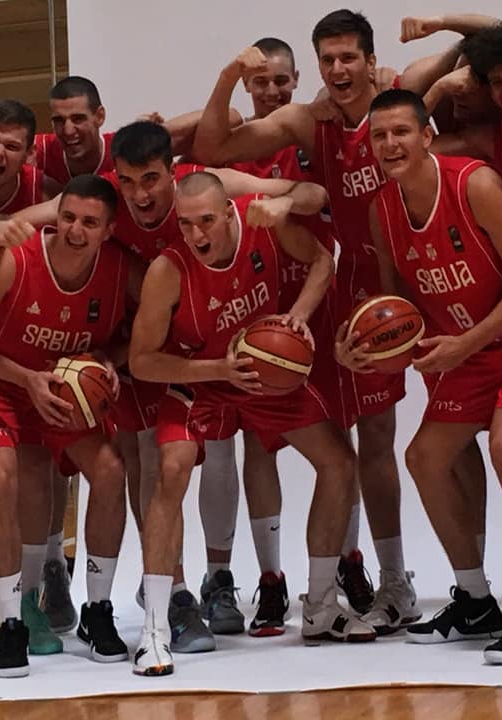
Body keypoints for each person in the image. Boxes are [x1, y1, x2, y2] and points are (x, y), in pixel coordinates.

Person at [192, 9, 490, 625]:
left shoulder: (403, 90)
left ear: (370, 60)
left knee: (439, 436)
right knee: (355, 445)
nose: (338, 68)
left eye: (349, 56)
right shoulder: (309, 121)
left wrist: (439, 23)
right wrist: (226, 77)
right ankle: (372, 583)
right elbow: (212, 149)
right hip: (344, 297)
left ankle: (457, 580)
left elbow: (486, 38)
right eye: (327, 59)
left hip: (420, 282)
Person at [0, 119, 337, 643]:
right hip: (141, 339)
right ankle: (171, 596)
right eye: (128, 182)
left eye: (151, 180)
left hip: (207, 338)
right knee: (150, 463)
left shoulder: (214, 186)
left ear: (172, 174)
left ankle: (217, 582)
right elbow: (21, 221)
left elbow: (311, 194)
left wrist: (286, 204)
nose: (139, 195)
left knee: (214, 457)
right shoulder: (109, 199)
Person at [342, 88, 502, 664]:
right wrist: (366, 351)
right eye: (379, 136)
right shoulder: (382, 210)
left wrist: (467, 341)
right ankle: (476, 599)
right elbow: (401, 312)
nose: (390, 144)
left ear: (427, 136)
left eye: (401, 132)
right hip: (470, 348)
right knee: (424, 458)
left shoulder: (474, 184)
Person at [129, 171, 374, 676]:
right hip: (201, 378)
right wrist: (216, 370)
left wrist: (297, 317)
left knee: (339, 462)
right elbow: (143, 361)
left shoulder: (263, 223)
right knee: (170, 469)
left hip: (262, 375)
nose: (196, 234)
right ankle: (155, 628)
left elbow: (322, 261)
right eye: (185, 224)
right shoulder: (167, 270)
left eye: (205, 221)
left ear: (229, 213)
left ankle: (320, 606)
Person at [0, 174, 139, 676]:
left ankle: (98, 610)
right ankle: (11, 625)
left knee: (110, 470)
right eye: (67, 217)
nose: (75, 230)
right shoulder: (15, 259)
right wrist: (25, 378)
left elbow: (158, 327)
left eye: (89, 222)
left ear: (109, 229)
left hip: (61, 391)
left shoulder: (121, 271)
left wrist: (111, 359)